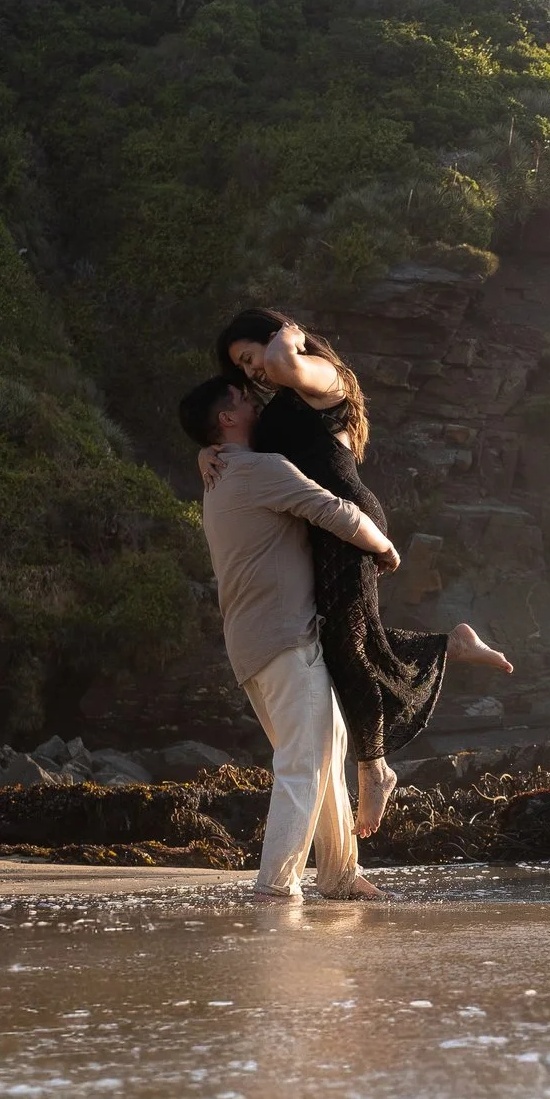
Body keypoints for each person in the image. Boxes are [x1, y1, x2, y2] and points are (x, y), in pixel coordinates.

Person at [217, 307, 512, 836]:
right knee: (346, 642)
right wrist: (207, 455)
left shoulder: (321, 373)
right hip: (321, 527)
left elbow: (283, 364)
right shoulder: (283, 398)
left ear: (273, 336)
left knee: (348, 647)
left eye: (250, 356)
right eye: (242, 369)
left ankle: (374, 769)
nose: (254, 372)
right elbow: (243, 441)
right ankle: (452, 645)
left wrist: (290, 335)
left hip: (347, 517)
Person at [179, 365, 399, 902]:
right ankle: (276, 888)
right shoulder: (262, 470)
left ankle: (340, 874)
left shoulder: (221, 472)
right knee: (303, 761)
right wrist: (385, 548)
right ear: (228, 418)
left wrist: (201, 450)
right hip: (284, 639)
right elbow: (336, 512)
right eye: (243, 398)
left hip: (253, 643)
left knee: (327, 748)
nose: (256, 401)